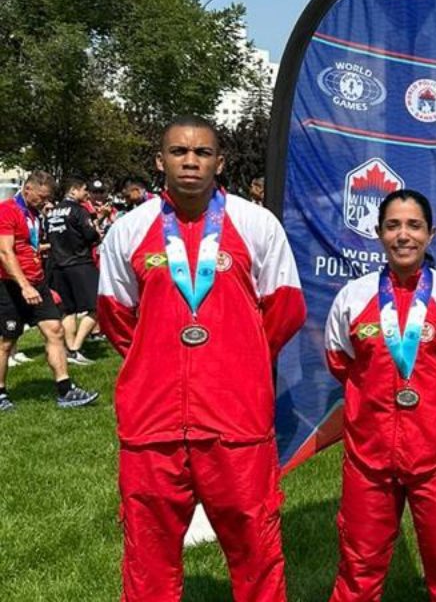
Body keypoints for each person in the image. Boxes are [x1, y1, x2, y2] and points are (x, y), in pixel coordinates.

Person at [97, 115, 306, 601]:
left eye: (202, 152)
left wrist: (240, 358)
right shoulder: (130, 229)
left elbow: (285, 310)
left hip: (237, 421)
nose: (190, 161)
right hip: (153, 422)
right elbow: (116, 317)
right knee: (147, 554)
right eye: (178, 152)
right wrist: (158, 361)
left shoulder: (256, 224)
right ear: (160, 161)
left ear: (220, 161)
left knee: (256, 548)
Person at [325, 189, 436, 601]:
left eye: (413, 225)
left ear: (430, 234)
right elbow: (341, 363)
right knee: (359, 563)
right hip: (369, 457)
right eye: (393, 225)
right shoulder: (353, 298)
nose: (403, 235)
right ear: (378, 234)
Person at [0, 171, 99, 411]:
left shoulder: (34, 214)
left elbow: (31, 247)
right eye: (41, 196)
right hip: (10, 284)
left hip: (37, 282)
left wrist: (43, 284)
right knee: (6, 341)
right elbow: (5, 252)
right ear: (28, 189)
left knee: (54, 330)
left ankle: (65, 391)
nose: (44, 201)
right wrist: (24, 286)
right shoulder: (7, 211)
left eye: (47, 197)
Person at [46, 177, 102, 365]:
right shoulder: (79, 210)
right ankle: (76, 346)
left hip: (58, 266)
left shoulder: (52, 212)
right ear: (74, 190)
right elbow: (91, 235)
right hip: (79, 263)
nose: (87, 194)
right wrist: (96, 232)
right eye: (85, 190)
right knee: (98, 305)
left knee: (68, 310)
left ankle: (70, 352)